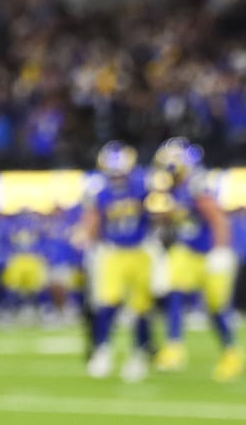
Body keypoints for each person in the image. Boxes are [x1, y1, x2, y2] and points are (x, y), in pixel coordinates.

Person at [148, 138, 244, 380]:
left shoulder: (197, 185)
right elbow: (177, 219)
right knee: (176, 292)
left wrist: (220, 251)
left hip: (209, 253)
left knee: (217, 310)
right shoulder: (175, 188)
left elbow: (218, 220)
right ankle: (174, 346)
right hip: (186, 251)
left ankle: (232, 353)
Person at [74, 141, 155, 381]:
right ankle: (102, 350)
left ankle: (139, 355)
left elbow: (157, 212)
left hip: (141, 249)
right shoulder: (100, 190)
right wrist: (86, 236)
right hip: (112, 252)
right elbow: (93, 217)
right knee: (107, 303)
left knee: (140, 307)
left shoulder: (142, 184)